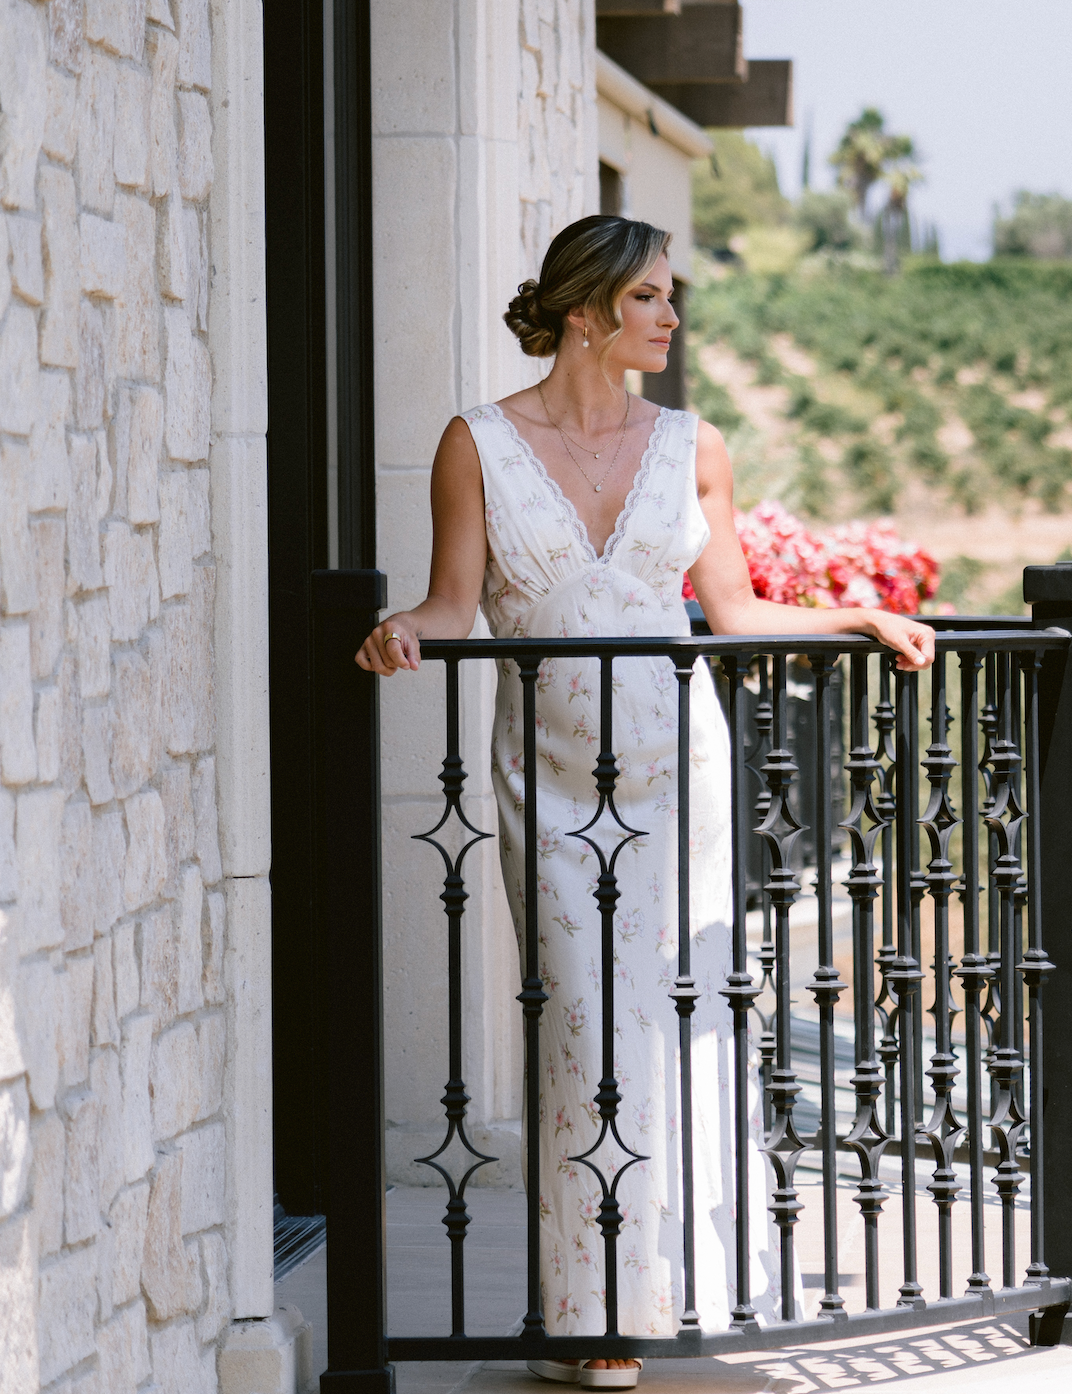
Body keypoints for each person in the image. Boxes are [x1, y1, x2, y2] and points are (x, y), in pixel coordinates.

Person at [357, 215, 933, 1388]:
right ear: (584, 311)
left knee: (684, 1018)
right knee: (579, 1032)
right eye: (649, 300)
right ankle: (590, 1311)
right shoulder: (475, 441)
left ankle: (673, 1286)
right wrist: (397, 631)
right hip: (549, 786)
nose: (670, 320)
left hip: (685, 780)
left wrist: (859, 615)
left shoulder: (695, 446)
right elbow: (454, 604)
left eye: (670, 299)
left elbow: (732, 612)